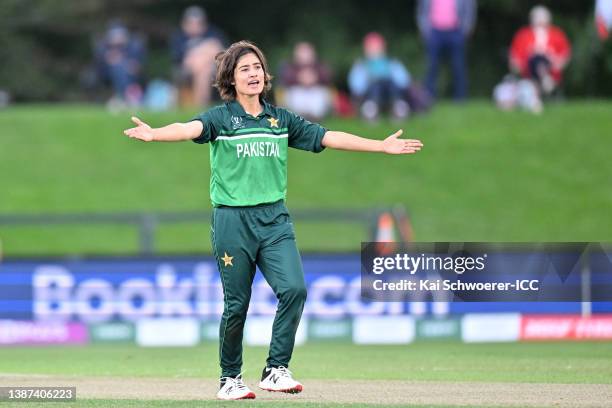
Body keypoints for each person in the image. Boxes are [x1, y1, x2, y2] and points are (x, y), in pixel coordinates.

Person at [123, 40, 423, 400]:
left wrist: (379, 145)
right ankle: (229, 378)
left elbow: (328, 136)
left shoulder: (281, 120)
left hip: (275, 219)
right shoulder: (221, 118)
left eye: (257, 68)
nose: (253, 74)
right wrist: (155, 133)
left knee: (295, 289)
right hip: (232, 221)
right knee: (238, 305)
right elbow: (188, 129)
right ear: (231, 80)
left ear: (266, 76)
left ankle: (275, 368)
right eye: (245, 69)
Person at [417, 0, 477, 100]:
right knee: (432, 65)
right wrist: (424, 29)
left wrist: (467, 28)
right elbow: (421, 10)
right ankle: (428, 97)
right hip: (434, 31)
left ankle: (460, 97)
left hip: (456, 30)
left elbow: (470, 8)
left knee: (458, 65)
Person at [509, 5, 571, 97]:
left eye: (543, 17)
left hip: (551, 66)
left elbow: (565, 54)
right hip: (528, 68)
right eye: (537, 17)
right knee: (536, 57)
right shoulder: (523, 35)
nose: (540, 20)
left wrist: (555, 60)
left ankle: (540, 84)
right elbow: (514, 56)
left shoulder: (557, 34)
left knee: (540, 58)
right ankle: (545, 80)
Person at [170, 6, 227, 106]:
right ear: (184, 24)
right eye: (191, 23)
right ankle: (201, 106)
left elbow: (223, 53)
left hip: (212, 68)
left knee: (205, 68)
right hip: (186, 68)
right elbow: (181, 59)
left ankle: (199, 106)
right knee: (204, 65)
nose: (195, 26)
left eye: (198, 23)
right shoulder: (179, 37)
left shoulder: (213, 33)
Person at [348, 32, 411, 121]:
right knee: (375, 86)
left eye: (377, 48)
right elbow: (357, 87)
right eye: (372, 48)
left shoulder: (392, 63)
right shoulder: (361, 65)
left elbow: (404, 82)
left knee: (389, 84)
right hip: (370, 95)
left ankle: (398, 108)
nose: (375, 51)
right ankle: (371, 110)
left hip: (390, 92)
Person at [94, 22, 146, 106]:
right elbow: (100, 65)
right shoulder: (103, 47)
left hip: (131, 76)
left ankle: (123, 97)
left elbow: (137, 66)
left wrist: (125, 64)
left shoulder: (133, 46)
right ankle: (127, 97)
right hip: (108, 75)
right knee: (118, 68)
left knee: (121, 69)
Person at [278, 41, 333, 120]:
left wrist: (315, 77)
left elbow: (327, 77)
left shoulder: (319, 66)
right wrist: (299, 78)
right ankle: (302, 117)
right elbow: (284, 79)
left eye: (306, 52)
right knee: (294, 93)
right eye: (302, 52)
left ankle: (314, 117)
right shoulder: (290, 66)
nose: (304, 55)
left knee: (321, 93)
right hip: (296, 91)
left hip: (315, 91)